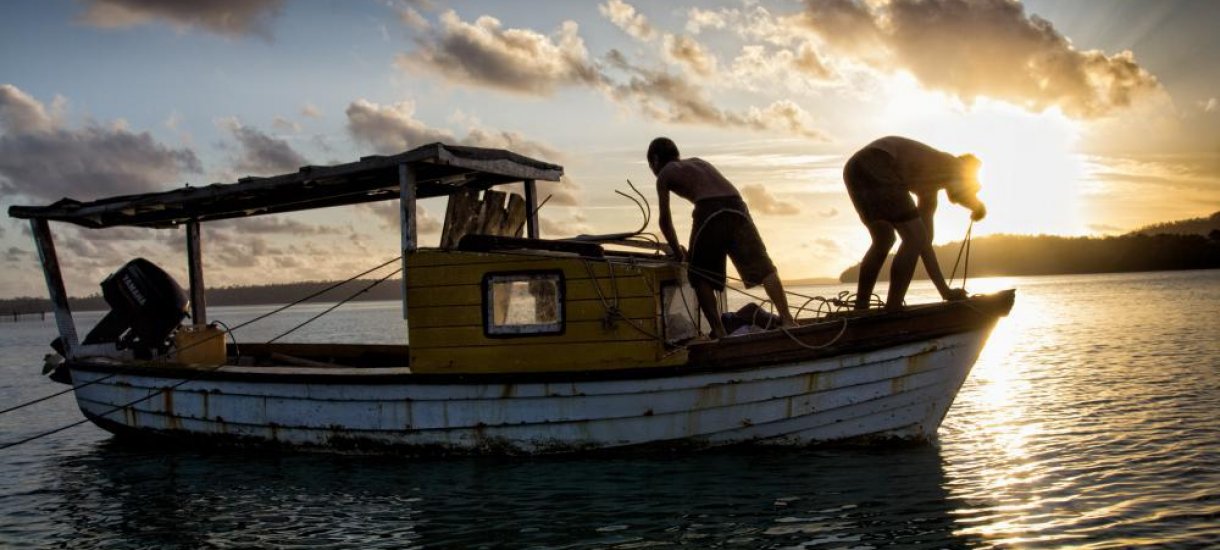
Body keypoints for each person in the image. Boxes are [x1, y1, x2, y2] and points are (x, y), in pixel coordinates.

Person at [649, 137, 797, 338]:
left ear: (655, 160)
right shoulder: (699, 162)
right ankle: (788, 320)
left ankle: (719, 332)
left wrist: (678, 253)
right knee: (765, 268)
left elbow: (665, 222)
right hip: (737, 205)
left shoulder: (665, 173)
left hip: (709, 209)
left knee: (699, 275)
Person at [843, 136, 987, 311]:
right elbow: (958, 195)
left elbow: (924, 244)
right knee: (911, 238)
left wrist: (944, 291)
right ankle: (893, 306)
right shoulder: (954, 163)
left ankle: (861, 306)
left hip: (853, 169)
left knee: (885, 240)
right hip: (879, 161)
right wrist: (977, 206)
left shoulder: (928, 193)